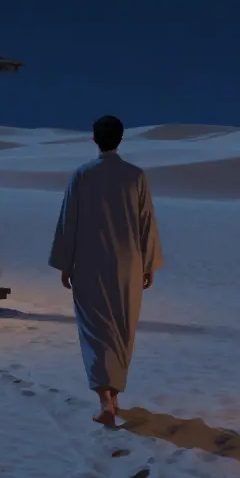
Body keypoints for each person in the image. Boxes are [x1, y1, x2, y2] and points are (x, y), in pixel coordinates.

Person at [48, 115, 164, 426]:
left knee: (95, 331)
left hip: (90, 264)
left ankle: (106, 401)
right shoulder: (135, 176)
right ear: (120, 139)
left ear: (94, 139)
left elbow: (69, 221)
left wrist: (65, 263)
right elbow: (146, 222)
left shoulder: (82, 175)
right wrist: (148, 264)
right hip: (128, 265)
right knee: (121, 330)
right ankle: (113, 396)